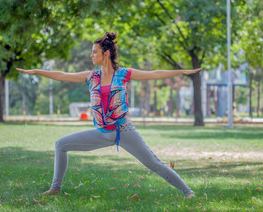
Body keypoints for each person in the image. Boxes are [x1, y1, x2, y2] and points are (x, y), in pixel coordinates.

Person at [17, 32, 202, 199]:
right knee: (61, 144)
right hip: (102, 132)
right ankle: (55, 188)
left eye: (94, 52)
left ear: (106, 53)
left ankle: (188, 192)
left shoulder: (124, 74)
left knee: (153, 163)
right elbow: (62, 74)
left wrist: (182, 72)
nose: (91, 55)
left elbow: (154, 73)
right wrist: (36, 72)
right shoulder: (91, 77)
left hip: (125, 131)